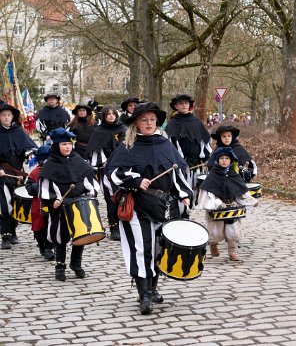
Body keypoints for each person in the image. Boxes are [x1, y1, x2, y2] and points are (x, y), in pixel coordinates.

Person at [105, 102, 193, 315]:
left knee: (158, 249)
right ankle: (143, 294)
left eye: (152, 120)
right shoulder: (127, 146)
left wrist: (184, 195)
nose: (148, 123)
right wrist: (135, 180)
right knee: (142, 248)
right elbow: (112, 174)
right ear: (136, 122)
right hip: (137, 206)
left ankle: (153, 288)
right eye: (144, 120)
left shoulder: (165, 144)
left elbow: (177, 171)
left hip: (162, 206)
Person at [39, 128, 100, 281]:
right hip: (60, 207)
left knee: (81, 233)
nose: (67, 147)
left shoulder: (79, 161)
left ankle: (76, 263)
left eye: (69, 144)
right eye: (63, 144)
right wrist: (53, 200)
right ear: (56, 146)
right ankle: (60, 266)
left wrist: (89, 193)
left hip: (78, 204)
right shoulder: (50, 165)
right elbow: (45, 188)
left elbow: (90, 182)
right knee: (61, 236)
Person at [197, 147, 257, 261]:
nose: (224, 160)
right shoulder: (212, 176)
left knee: (233, 231)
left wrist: (250, 200)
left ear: (230, 161)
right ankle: (213, 244)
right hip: (216, 207)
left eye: (227, 158)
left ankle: (233, 251)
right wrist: (218, 203)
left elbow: (241, 190)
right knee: (216, 232)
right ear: (218, 160)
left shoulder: (234, 174)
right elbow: (208, 192)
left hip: (231, 206)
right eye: (222, 158)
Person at [85, 105, 126, 241]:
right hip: (105, 170)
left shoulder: (123, 129)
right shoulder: (99, 131)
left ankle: (124, 226)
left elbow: (128, 148)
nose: (111, 116)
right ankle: (114, 228)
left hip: (122, 169)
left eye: (113, 114)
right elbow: (94, 150)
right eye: (108, 114)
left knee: (123, 198)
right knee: (111, 198)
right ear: (104, 116)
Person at [0, 103, 37, 249]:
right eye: (3, 115)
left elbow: (29, 148)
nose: (6, 117)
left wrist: (29, 155)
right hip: (2, 173)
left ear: (12, 116)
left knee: (15, 202)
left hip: (17, 173)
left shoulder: (18, 131)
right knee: (4, 203)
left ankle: (13, 231)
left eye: (8, 115)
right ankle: (5, 235)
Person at [165, 93, 211, 186]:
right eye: (181, 103)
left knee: (194, 191)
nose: (184, 105)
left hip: (195, 165)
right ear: (176, 106)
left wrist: (207, 158)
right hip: (177, 164)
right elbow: (167, 144)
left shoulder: (196, 121)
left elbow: (204, 141)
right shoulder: (172, 123)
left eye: (186, 103)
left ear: (189, 105)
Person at [25, 145, 55, 260]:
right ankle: (42, 245)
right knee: (39, 227)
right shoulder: (34, 173)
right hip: (38, 204)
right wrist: (39, 186)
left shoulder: (56, 169)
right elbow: (28, 188)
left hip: (52, 202)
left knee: (51, 224)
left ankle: (49, 248)